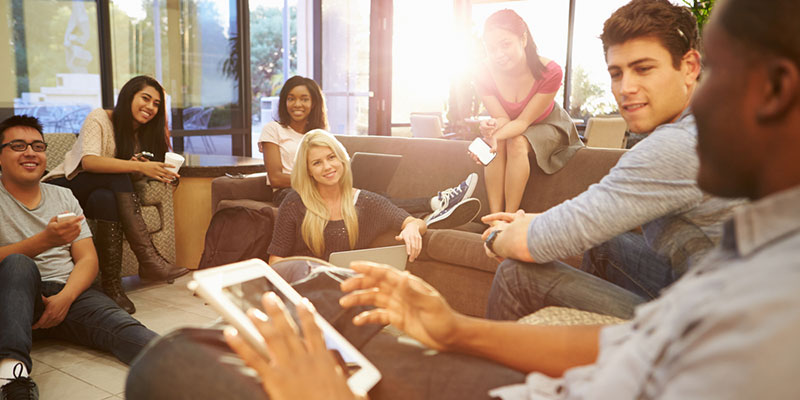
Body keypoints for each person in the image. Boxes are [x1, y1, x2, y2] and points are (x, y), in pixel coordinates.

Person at [125, 1, 800, 397]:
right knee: (309, 280)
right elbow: (652, 337)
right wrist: (456, 329)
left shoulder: (772, 314)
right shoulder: (754, 248)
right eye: (618, 72)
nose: (626, 88)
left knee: (173, 363)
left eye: (712, 73)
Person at [482, 0, 745, 321]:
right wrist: (528, 220)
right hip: (706, 282)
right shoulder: (712, 121)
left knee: (515, 275)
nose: (626, 88)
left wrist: (498, 239)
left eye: (644, 68)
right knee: (607, 244)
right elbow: (593, 215)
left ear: (690, 67)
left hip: (714, 321)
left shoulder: (676, 146)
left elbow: (552, 237)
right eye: (617, 73)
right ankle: (599, 345)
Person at [0, 115, 158, 400]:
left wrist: (66, 297)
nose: (31, 153)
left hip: (67, 294)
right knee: (18, 265)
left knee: (125, 329)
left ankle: (191, 366)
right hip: (10, 297)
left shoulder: (64, 197)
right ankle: (12, 377)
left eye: (38, 146)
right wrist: (45, 241)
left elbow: (87, 259)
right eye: (18, 146)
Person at [43, 75, 189, 314]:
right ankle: (148, 259)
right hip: (64, 187)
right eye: (145, 98)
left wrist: (153, 171)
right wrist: (138, 167)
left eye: (156, 104)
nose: (150, 107)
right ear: (129, 95)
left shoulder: (137, 134)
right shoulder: (99, 117)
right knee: (118, 175)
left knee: (106, 199)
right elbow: (89, 162)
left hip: (95, 195)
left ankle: (111, 286)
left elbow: (121, 175)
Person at [260, 75, 481, 229]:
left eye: (304, 98)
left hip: (324, 189)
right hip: (288, 195)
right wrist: (317, 179)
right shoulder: (274, 130)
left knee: (369, 199)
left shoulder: (320, 135)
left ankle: (431, 210)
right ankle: (433, 205)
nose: (297, 104)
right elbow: (276, 177)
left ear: (314, 103)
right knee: (358, 199)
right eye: (291, 98)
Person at [474, 9, 584, 214]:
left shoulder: (550, 71)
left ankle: (509, 217)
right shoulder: (482, 73)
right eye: (491, 48)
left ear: (523, 39)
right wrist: (492, 129)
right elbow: (503, 118)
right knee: (496, 146)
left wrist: (496, 134)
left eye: (505, 44)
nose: (498, 54)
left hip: (548, 124)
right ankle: (495, 216)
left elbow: (523, 123)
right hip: (513, 125)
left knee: (517, 142)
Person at [268, 130, 427, 264]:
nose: (328, 167)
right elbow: (276, 260)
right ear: (308, 170)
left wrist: (412, 227)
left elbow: (414, 222)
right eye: (317, 163)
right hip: (304, 287)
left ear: (342, 159)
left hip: (349, 289)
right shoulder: (294, 203)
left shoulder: (366, 201)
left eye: (331, 157)